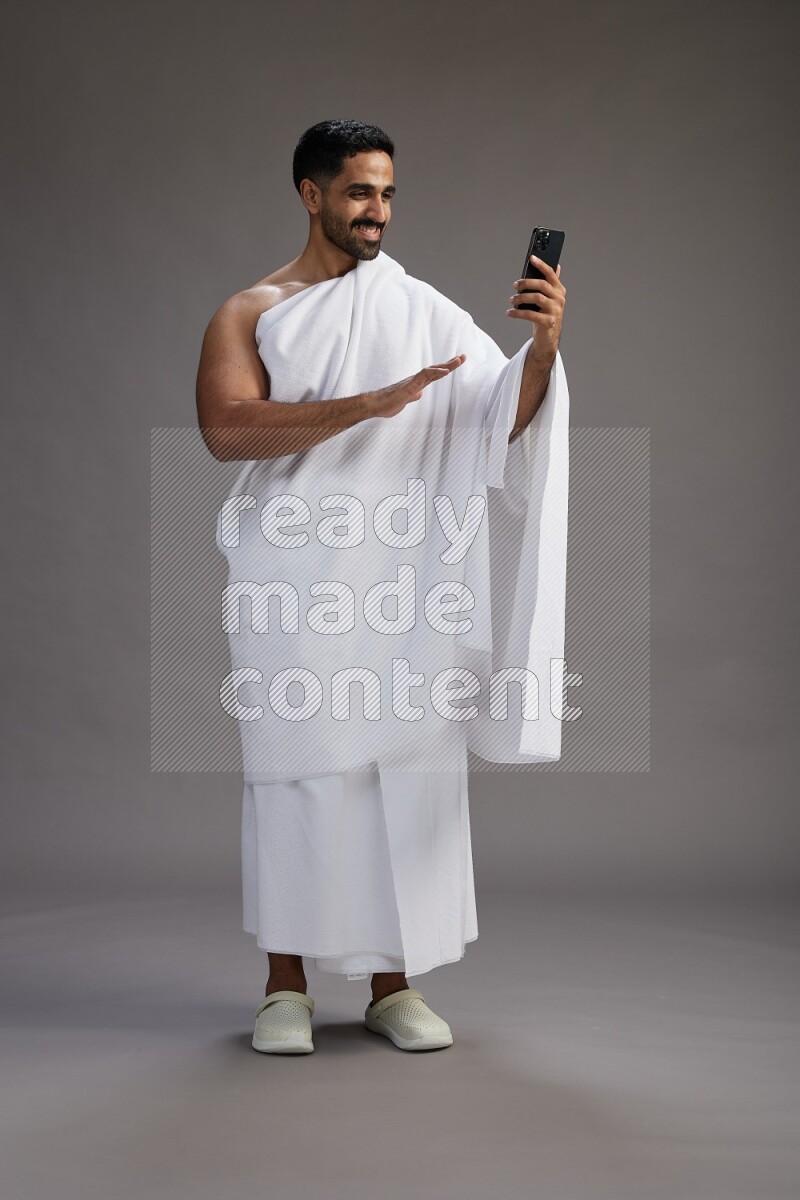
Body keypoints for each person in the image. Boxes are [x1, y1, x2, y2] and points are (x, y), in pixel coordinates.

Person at [195, 119, 568, 1054]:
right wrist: (366, 404)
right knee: (294, 771)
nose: (377, 213)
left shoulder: (424, 311)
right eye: (360, 192)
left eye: (388, 193)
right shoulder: (252, 309)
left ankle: (392, 984)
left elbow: (498, 423)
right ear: (311, 194)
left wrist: (544, 351)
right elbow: (227, 431)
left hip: (402, 576)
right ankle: (285, 987)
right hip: (293, 575)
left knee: (401, 767)